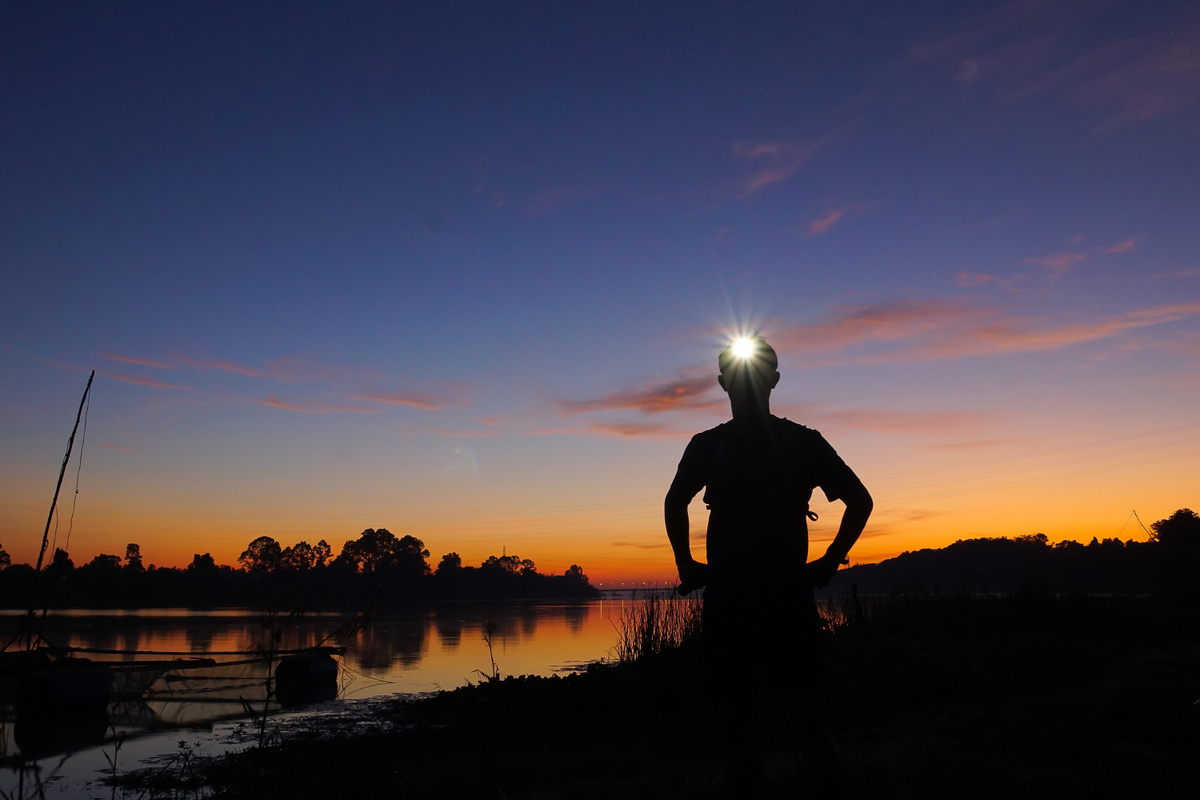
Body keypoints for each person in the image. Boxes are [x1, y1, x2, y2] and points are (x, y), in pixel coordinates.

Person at [664, 335, 872, 798]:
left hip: (762, 600)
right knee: (781, 716)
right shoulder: (791, 443)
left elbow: (675, 502)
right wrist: (827, 563)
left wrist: (829, 561)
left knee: (769, 717)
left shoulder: (755, 444)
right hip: (757, 600)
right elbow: (674, 502)